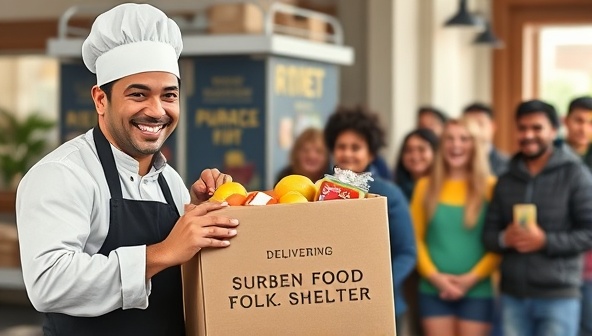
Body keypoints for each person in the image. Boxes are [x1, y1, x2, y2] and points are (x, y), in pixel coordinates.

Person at [16, 4, 239, 335]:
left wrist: (197, 213)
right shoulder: (62, 174)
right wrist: (162, 253)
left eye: (169, 95)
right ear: (100, 100)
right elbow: (49, 282)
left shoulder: (170, 182)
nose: (156, 110)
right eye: (138, 94)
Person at [482, 99, 592, 336]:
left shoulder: (575, 174)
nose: (529, 135)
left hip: (558, 296)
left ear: (554, 131)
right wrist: (505, 239)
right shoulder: (506, 179)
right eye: (522, 128)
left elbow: (589, 232)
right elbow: (489, 235)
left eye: (537, 128)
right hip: (512, 295)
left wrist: (546, 241)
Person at [323, 106, 416, 335]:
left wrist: (377, 283)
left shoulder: (389, 194)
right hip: (332, 305)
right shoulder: (320, 191)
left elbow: (407, 252)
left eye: (356, 147)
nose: (347, 154)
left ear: (371, 153)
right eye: (341, 147)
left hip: (383, 306)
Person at [410, 118, 499, 336]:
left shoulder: (491, 187)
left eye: (464, 138)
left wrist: (471, 278)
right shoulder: (425, 186)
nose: (455, 145)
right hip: (433, 289)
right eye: (449, 138)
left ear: (475, 144)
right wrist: (435, 277)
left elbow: (498, 242)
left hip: (478, 289)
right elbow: (415, 240)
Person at [555, 96, 592, 336]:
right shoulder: (547, 154)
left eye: (590, 123)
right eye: (579, 120)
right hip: (554, 258)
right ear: (566, 120)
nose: (584, 128)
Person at [462, 102, 509, 176]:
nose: (475, 130)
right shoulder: (453, 163)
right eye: (470, 125)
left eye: (480, 124)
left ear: (493, 127)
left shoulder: (508, 165)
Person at [393, 128, 439, 200]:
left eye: (421, 149)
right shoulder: (394, 191)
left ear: (435, 152)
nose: (414, 156)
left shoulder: (443, 189)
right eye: (409, 150)